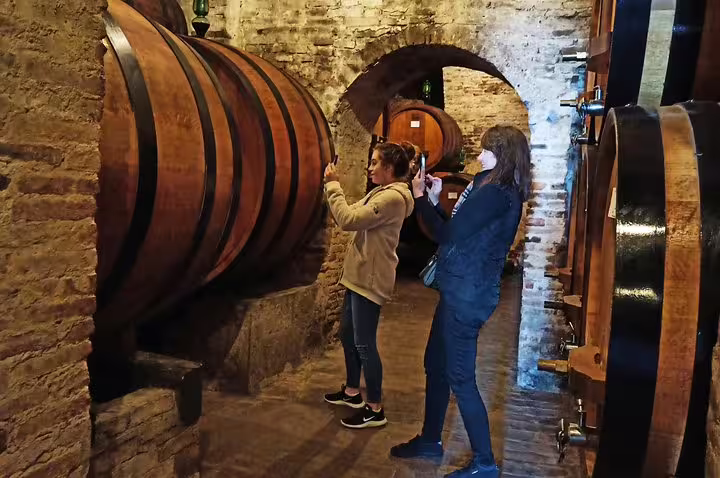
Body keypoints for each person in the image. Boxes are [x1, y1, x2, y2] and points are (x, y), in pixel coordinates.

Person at [390, 126, 531, 477]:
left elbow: (447, 235)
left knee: (460, 377)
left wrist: (420, 197)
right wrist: (436, 199)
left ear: (500, 153)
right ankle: (430, 439)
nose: (478, 156)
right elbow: (460, 232)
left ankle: (485, 463)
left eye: (485, 150)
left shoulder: (497, 192)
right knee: (435, 364)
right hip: (459, 289)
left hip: (468, 295)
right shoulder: (489, 187)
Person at [323, 142, 415, 429]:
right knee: (348, 335)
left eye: (375, 163)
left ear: (389, 168)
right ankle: (353, 391)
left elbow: (348, 219)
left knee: (365, 344)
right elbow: (354, 214)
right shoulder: (381, 192)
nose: (370, 167)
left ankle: (375, 408)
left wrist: (333, 186)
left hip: (371, 278)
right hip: (359, 274)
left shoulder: (393, 199)